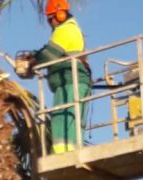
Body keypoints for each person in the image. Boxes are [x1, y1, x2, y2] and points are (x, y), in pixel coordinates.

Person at [33, 0, 91, 154]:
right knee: (73, 118)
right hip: (75, 81)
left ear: (59, 15)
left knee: (62, 116)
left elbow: (49, 55)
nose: (50, 23)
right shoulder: (71, 29)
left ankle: (61, 153)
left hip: (70, 81)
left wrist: (31, 62)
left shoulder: (65, 29)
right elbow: (49, 51)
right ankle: (70, 151)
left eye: (50, 19)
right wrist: (34, 54)